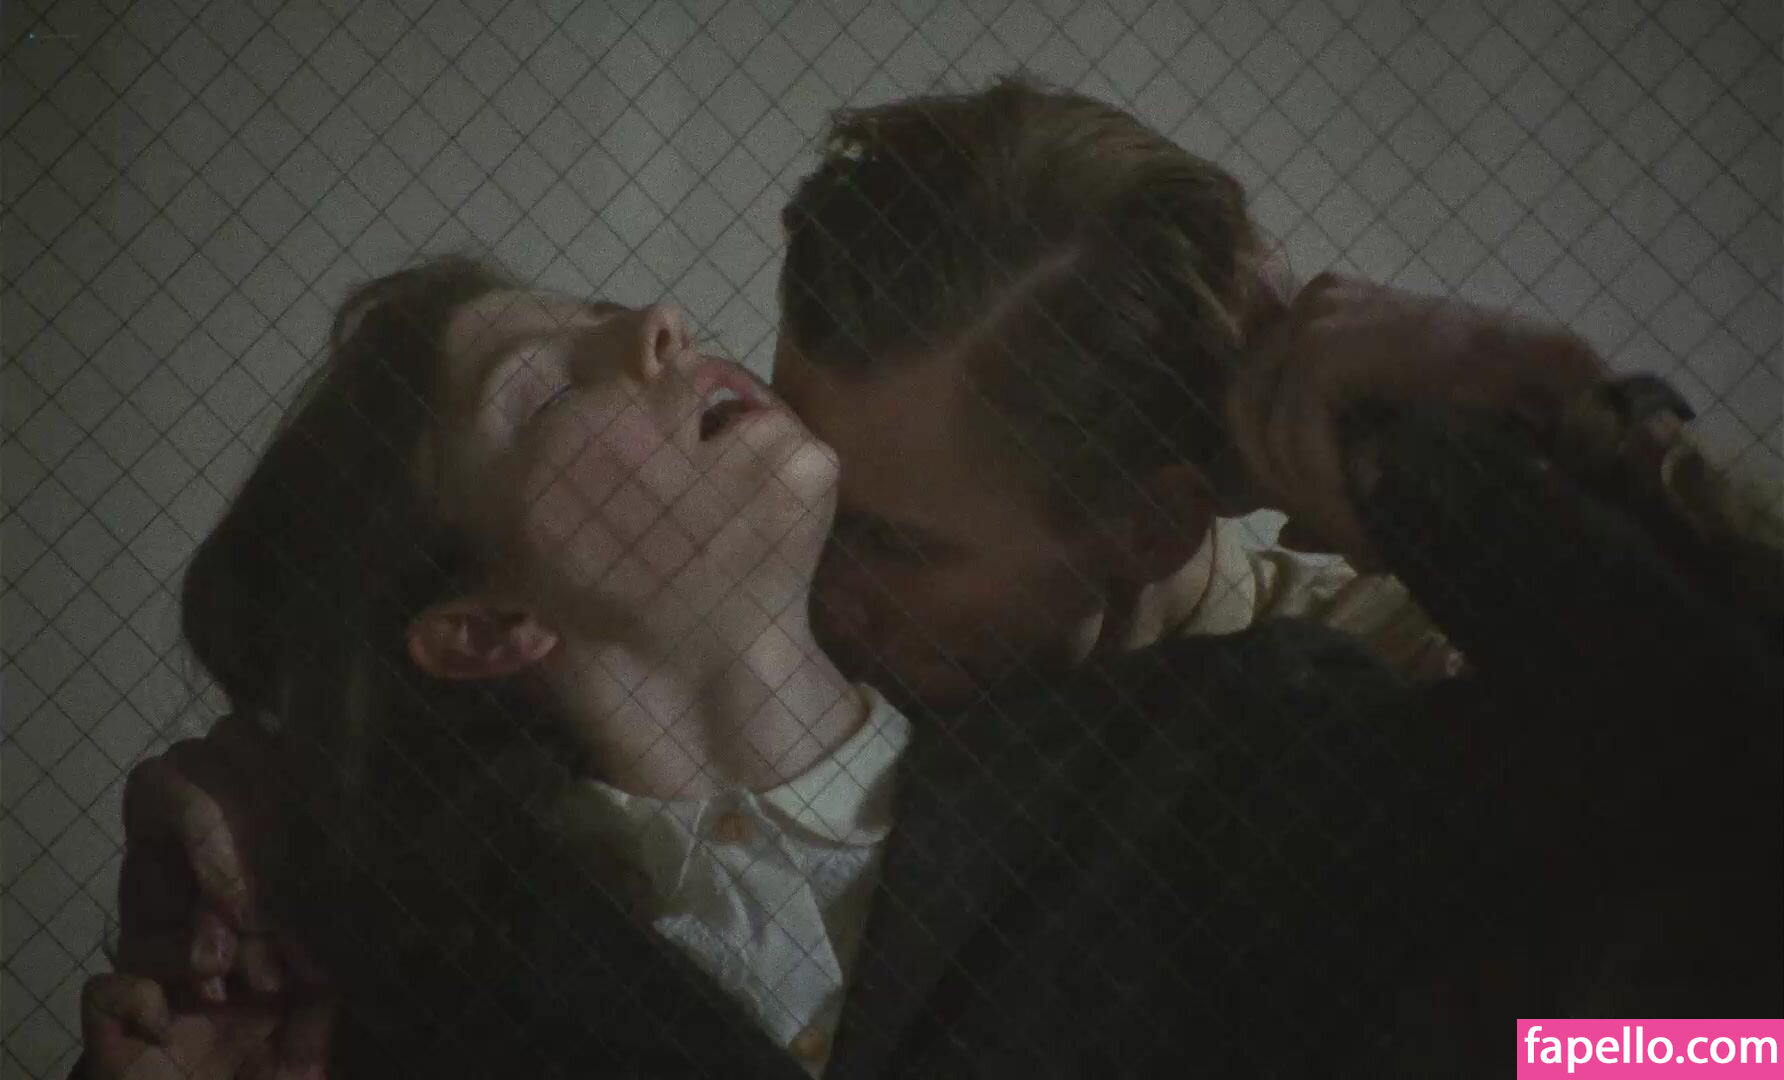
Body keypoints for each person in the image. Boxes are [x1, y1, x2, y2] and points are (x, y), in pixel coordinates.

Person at [80, 80, 1782, 1075]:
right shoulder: (429, 944)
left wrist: (1456, 462)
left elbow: (1731, 906)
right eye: (810, 474)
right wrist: (260, 803)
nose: (837, 590)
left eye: (886, 538)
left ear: (1146, 531)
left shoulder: (1291, 728)